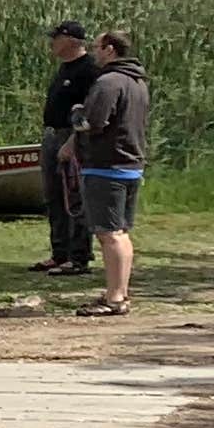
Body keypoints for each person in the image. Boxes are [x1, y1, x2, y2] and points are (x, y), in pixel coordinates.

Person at [76, 30, 150, 316]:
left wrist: (77, 114)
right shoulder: (137, 82)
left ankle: (115, 298)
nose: (94, 52)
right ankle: (118, 291)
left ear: (109, 49)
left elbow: (94, 123)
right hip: (130, 164)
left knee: (109, 235)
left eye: (97, 47)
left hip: (106, 166)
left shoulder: (108, 82)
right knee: (120, 232)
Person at [33, 22, 97, 277]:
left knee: (75, 196)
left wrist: (73, 141)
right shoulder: (64, 69)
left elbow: (88, 111)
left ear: (72, 40)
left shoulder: (89, 69)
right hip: (52, 134)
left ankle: (79, 256)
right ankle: (59, 252)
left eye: (57, 38)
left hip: (71, 136)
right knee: (53, 196)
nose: (52, 43)